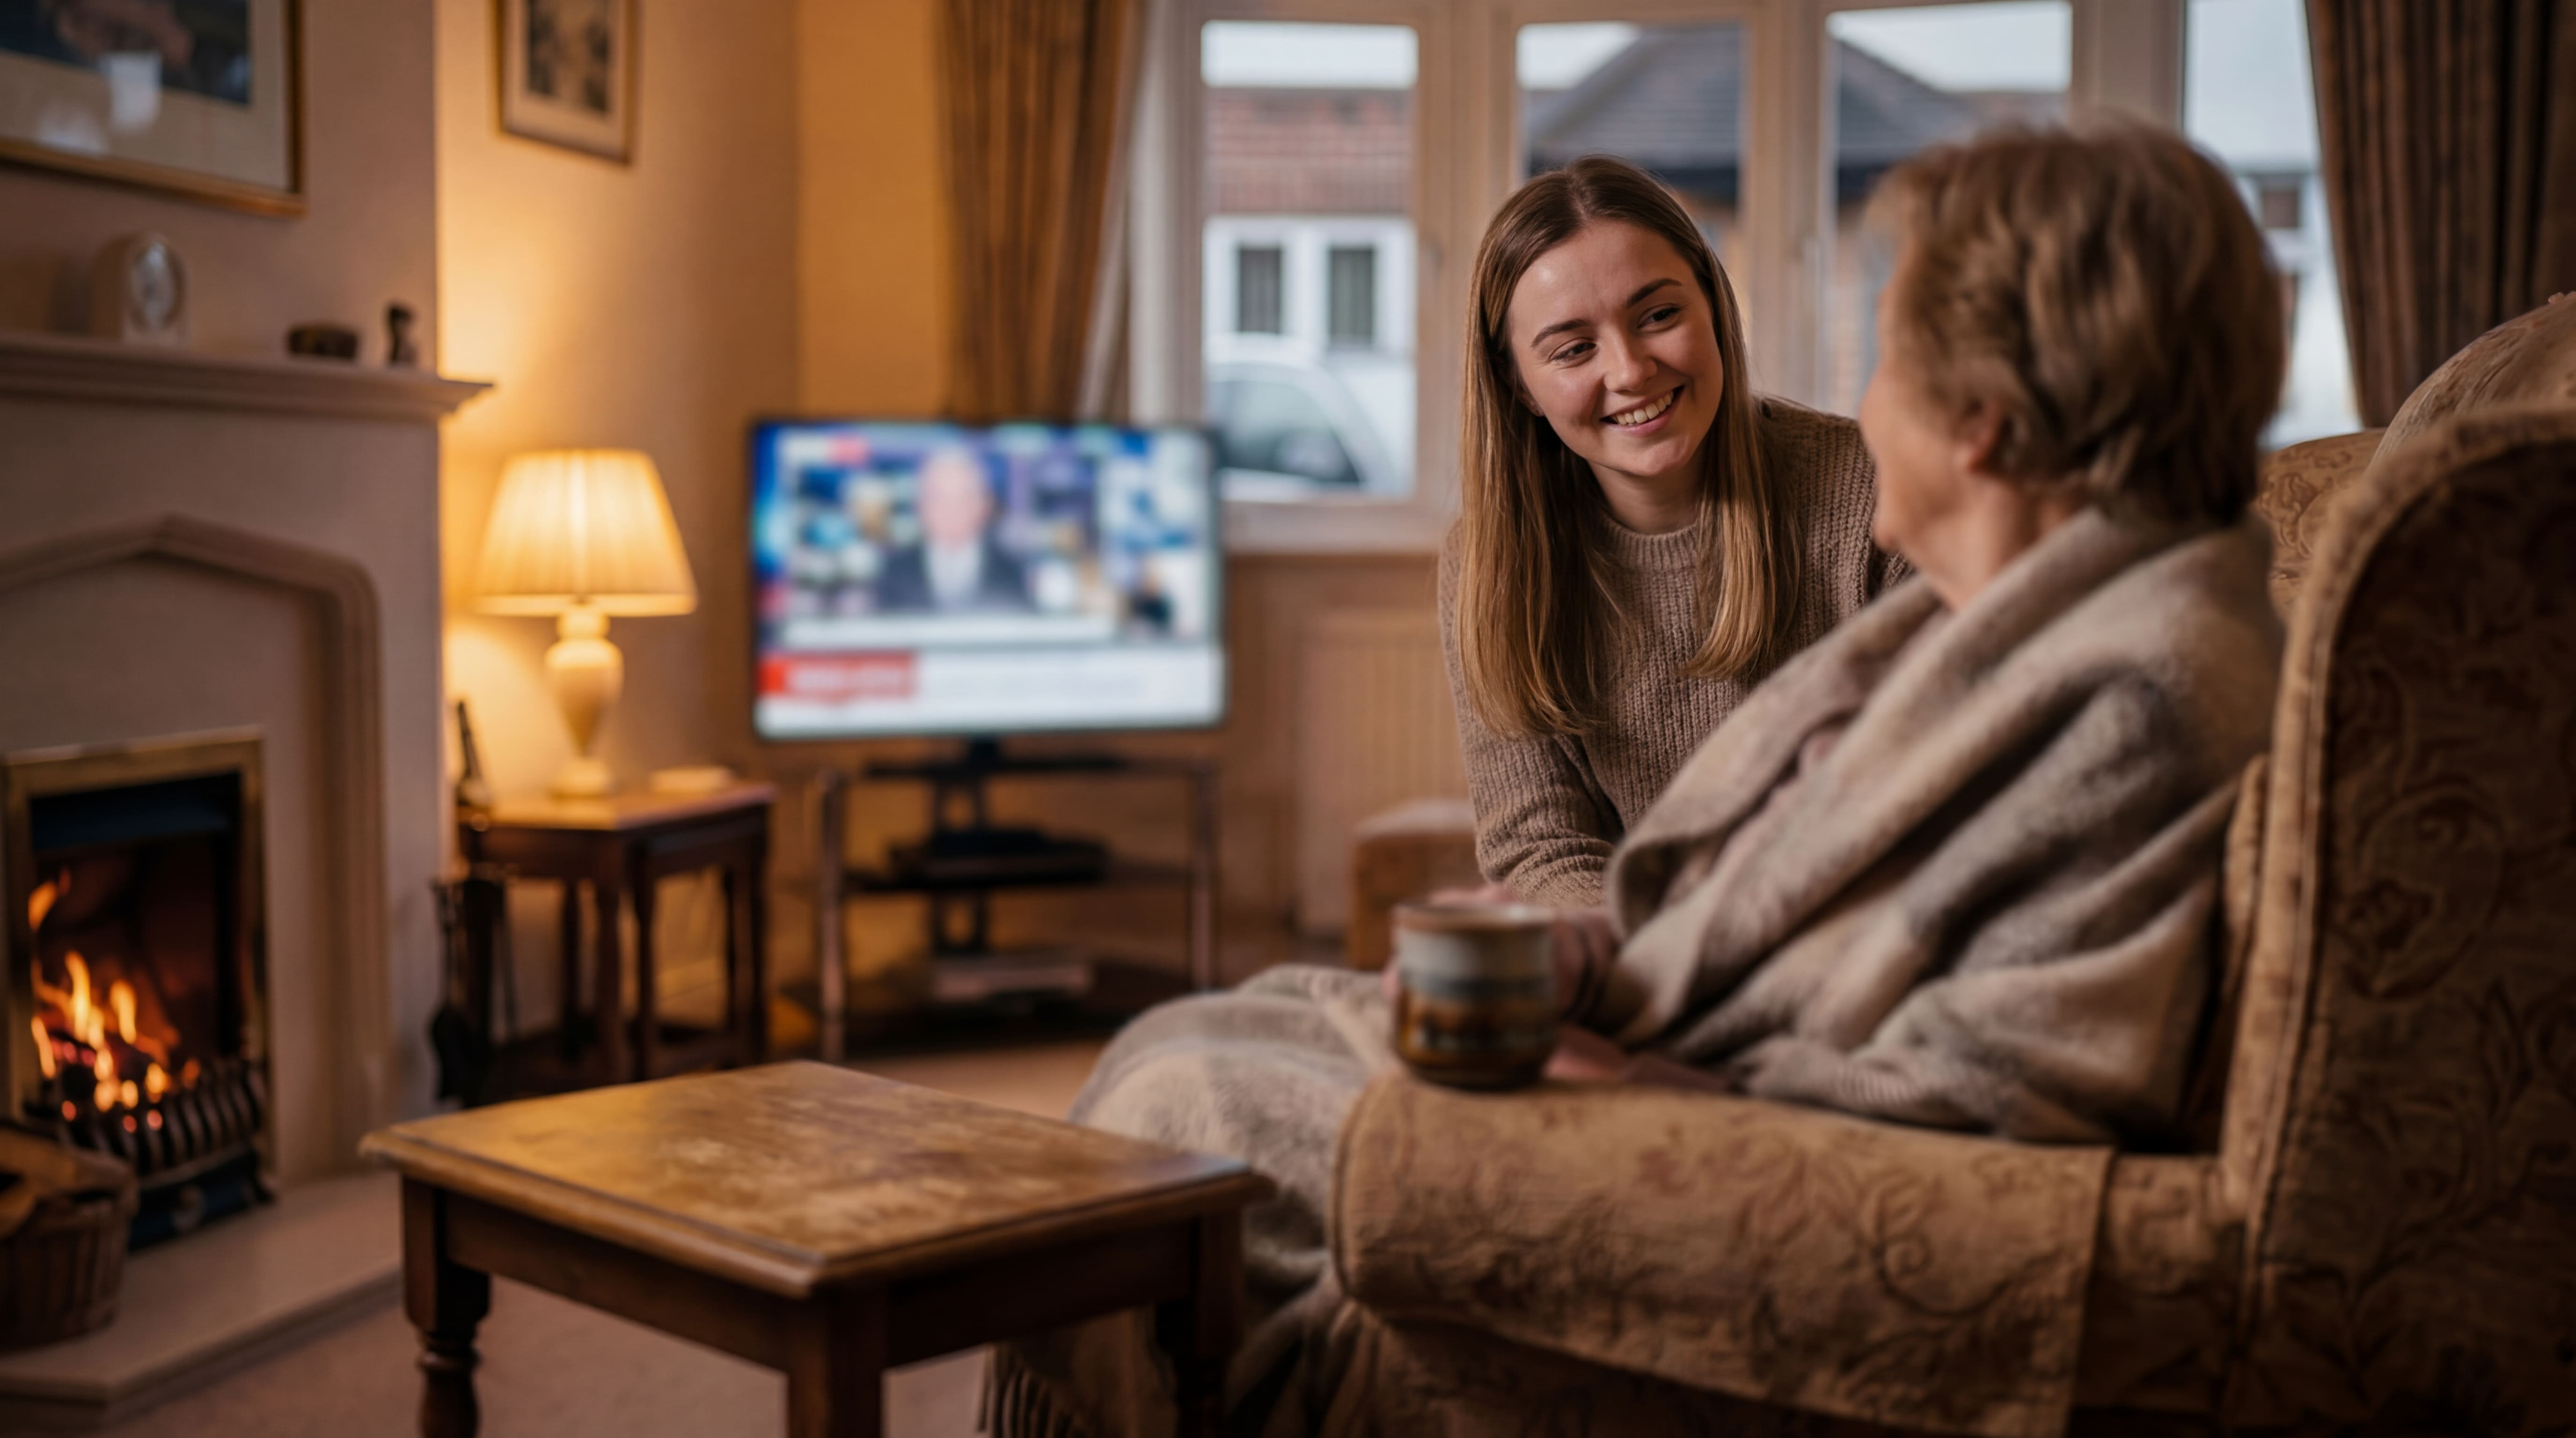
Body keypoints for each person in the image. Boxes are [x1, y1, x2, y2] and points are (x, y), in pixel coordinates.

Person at [995, 123, 2286, 1436]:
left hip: (1722, 1113)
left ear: (1983, 425)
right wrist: (1585, 964)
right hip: (1667, 1026)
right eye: (1570, 346)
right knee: (1175, 1074)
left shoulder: (2133, 695)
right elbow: (1769, 894)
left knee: (1170, 1110)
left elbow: (1988, 1097)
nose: (1861, 398)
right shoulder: (2039, 622)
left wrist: (1626, 1085)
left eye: (1888, 353)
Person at [1445, 156, 1906, 909]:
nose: (1630, 370)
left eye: (1659, 315)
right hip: (1636, 969)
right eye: (1572, 349)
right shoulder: (1486, 564)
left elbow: (1922, 803)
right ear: (1517, 386)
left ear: (1714, 306)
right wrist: (1654, 968)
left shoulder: (1876, 491)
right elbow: (1540, 846)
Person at [872, 448, 1032, 613]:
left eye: (963, 497)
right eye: (940, 498)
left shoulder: (1012, 570)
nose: (951, 510)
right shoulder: (894, 573)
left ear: (984, 505)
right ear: (921, 506)